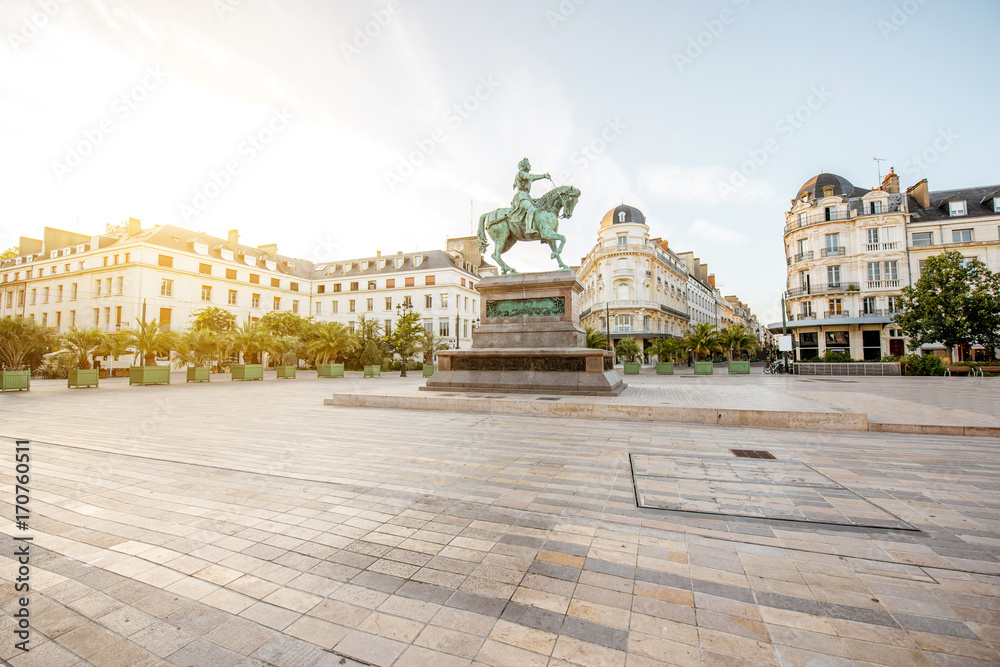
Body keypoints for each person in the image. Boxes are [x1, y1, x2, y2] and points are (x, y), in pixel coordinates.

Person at [510, 158, 550, 236]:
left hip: (525, 197)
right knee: (531, 209)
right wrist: (544, 175)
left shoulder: (525, 176)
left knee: (538, 209)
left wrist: (532, 199)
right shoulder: (521, 173)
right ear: (523, 165)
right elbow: (531, 177)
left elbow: (531, 178)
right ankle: (528, 229)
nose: (530, 165)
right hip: (520, 197)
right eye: (528, 164)